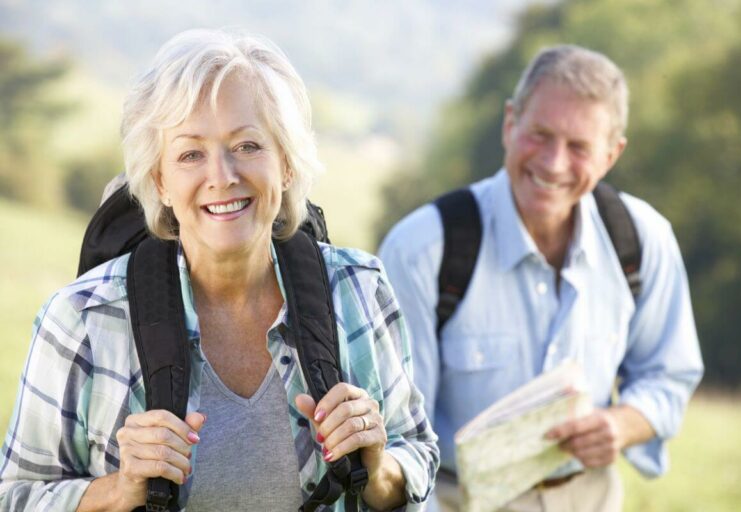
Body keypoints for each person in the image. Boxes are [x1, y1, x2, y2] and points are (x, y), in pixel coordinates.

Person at [0, 29, 438, 511]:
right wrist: (118, 491)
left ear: (287, 164)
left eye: (248, 145)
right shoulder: (80, 318)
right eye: (190, 154)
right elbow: (15, 496)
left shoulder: (359, 290)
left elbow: (416, 452)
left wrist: (378, 469)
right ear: (160, 180)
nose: (223, 175)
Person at [379, 45, 703, 511]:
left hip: (590, 498)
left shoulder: (643, 240)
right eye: (540, 134)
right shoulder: (422, 248)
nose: (553, 163)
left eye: (578, 147)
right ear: (510, 125)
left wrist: (622, 425)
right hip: (454, 499)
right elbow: (400, 435)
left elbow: (668, 376)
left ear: (611, 155)